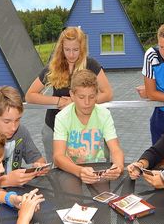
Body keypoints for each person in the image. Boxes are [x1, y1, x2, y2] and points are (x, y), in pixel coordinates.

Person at [25, 26, 113, 162]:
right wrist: (58, 101)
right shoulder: (53, 66)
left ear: (82, 48)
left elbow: (107, 94)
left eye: (75, 50)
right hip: (53, 129)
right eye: (67, 50)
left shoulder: (91, 65)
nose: (71, 54)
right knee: (56, 173)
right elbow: (30, 95)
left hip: (82, 132)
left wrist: (77, 103)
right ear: (61, 48)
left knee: (84, 171)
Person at [53, 69, 124, 183]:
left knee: (103, 194)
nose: (87, 102)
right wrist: (79, 171)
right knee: (72, 196)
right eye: (81, 97)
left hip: (96, 166)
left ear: (97, 95)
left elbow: (115, 149)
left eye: (91, 97)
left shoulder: (104, 114)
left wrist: (118, 167)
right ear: (72, 95)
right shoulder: (62, 117)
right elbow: (58, 156)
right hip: (70, 168)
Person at [0, 86, 48, 188]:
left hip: (16, 191)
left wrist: (39, 167)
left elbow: (40, 160)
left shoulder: (21, 131)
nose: (13, 127)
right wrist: (6, 181)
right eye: (7, 121)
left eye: (17, 120)